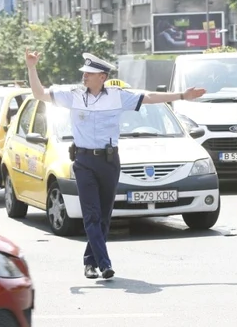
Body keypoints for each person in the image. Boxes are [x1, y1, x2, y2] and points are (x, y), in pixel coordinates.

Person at [25, 49, 206, 280]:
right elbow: (39, 94)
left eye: (89, 73)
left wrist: (181, 95)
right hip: (83, 161)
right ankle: (105, 263)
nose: (84, 77)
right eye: (84, 73)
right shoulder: (74, 95)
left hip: (109, 162)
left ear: (102, 77)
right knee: (90, 214)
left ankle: (90, 263)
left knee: (103, 217)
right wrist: (32, 67)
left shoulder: (117, 96)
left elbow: (149, 97)